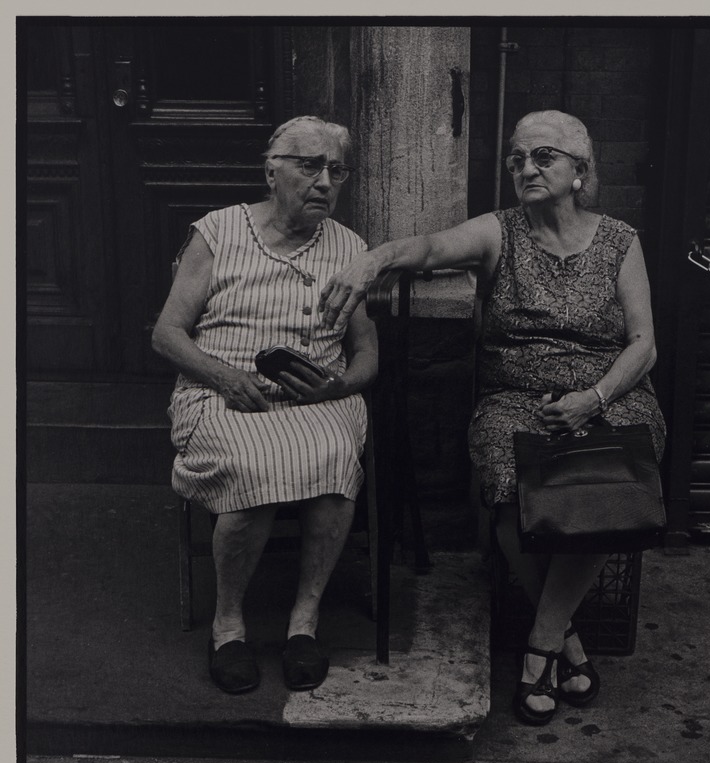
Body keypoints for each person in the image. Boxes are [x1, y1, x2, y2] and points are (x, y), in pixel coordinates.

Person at [318, 110, 666, 725]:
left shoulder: (620, 240)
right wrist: (372, 261)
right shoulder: (500, 232)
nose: (525, 168)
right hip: (515, 399)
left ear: (580, 171)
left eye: (542, 157)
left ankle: (540, 648)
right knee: (509, 493)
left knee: (608, 488)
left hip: (610, 394)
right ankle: (567, 642)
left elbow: (644, 344)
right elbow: (428, 249)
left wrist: (595, 398)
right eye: (516, 159)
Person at [152, 116, 378, 695]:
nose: (324, 181)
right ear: (272, 169)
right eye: (309, 166)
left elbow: (366, 350)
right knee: (253, 467)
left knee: (333, 459)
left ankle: (304, 623)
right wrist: (225, 377)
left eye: (336, 170)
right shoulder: (219, 233)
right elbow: (168, 335)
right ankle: (229, 626)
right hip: (220, 390)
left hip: (315, 396)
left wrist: (340, 387)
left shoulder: (349, 247)